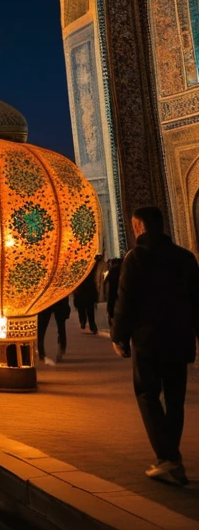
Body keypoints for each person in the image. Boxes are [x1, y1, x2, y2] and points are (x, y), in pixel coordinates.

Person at [111, 207, 199, 485]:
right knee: (174, 400)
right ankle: (172, 460)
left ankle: (167, 457)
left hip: (149, 340)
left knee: (148, 394)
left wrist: (118, 337)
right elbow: (197, 302)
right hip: (180, 338)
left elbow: (125, 301)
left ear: (138, 227)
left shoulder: (136, 258)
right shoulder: (186, 258)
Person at [37, 295, 71, 366]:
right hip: (58, 300)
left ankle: (42, 353)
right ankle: (61, 349)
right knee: (61, 326)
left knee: (42, 329)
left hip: (47, 301)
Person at [74, 256, 101, 334]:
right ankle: (92, 326)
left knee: (82, 309)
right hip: (89, 291)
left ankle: (83, 321)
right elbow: (94, 268)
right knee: (90, 310)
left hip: (82, 292)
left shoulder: (79, 270)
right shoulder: (89, 270)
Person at [104, 257, 123, 326]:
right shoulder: (123, 269)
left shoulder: (112, 270)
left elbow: (106, 280)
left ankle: (111, 317)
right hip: (120, 292)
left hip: (113, 291)